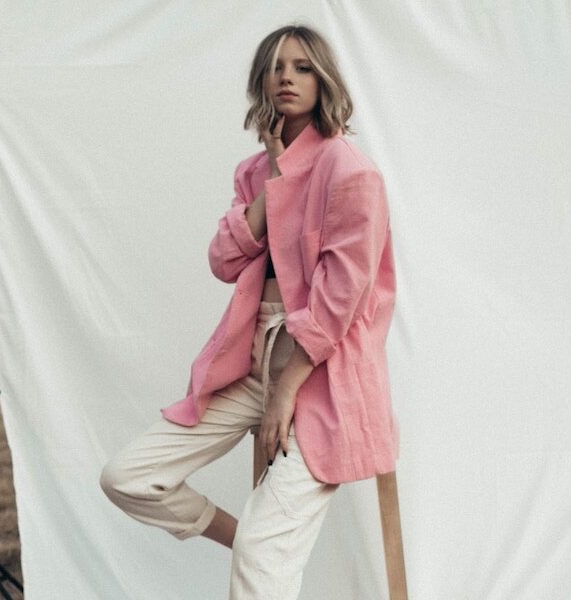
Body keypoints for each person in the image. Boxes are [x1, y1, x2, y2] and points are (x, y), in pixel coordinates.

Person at [100, 23, 398, 599]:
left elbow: (341, 300)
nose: (287, 76)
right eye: (276, 66)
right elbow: (222, 259)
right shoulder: (254, 172)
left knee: (264, 561)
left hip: (317, 373)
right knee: (129, 477)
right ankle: (245, 538)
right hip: (248, 362)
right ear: (262, 80)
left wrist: (286, 390)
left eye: (303, 66)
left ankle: (256, 548)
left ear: (324, 80)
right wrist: (275, 179)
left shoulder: (351, 172)